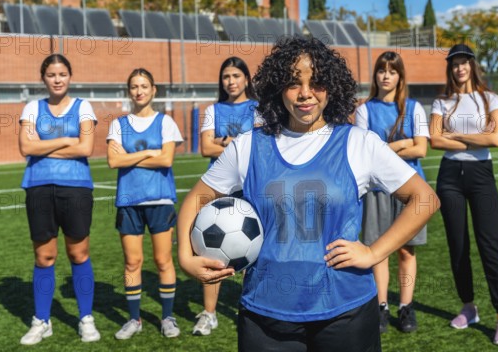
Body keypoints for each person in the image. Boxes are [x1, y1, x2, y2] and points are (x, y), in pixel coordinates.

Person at [177, 36, 439, 352]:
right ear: (277, 88)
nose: (305, 93)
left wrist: (374, 252)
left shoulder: (359, 142)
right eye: (293, 82)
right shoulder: (249, 145)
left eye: (316, 82)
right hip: (266, 314)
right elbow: (195, 200)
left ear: (332, 86)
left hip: (346, 310)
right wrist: (184, 257)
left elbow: (424, 199)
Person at [429, 44, 498, 346]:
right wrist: (472, 141)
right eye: (455, 63)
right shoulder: (442, 101)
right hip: (449, 177)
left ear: (472, 66)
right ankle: (469, 306)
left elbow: (497, 138)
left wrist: (458, 136)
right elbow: (435, 141)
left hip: (481, 177)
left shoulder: (490, 98)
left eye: (464, 62)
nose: (459, 68)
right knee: (458, 244)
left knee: (489, 244)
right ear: (450, 68)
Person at [18, 54, 100, 345]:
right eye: (51, 75)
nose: (57, 79)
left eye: (62, 74)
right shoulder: (32, 107)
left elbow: (86, 148)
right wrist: (67, 140)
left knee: (79, 254)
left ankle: (85, 317)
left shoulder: (83, 106)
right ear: (43, 78)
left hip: (76, 189)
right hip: (38, 188)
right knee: (44, 256)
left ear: (70, 76)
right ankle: (42, 320)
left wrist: (43, 148)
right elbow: (25, 146)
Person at [355, 51, 429, 334]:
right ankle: (381, 306)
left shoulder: (413, 107)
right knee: (379, 251)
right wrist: (401, 145)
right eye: (381, 70)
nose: (386, 76)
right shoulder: (365, 110)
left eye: (392, 71)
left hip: (410, 190)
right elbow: (366, 153)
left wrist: (385, 147)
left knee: (407, 252)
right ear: (375, 75)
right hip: (376, 190)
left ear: (400, 76)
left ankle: (406, 307)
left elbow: (421, 149)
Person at [107, 68, 183, 339]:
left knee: (163, 261)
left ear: (154, 90)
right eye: (134, 87)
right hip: (129, 202)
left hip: (160, 200)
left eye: (144, 86)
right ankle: (133, 319)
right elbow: (113, 161)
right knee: (132, 262)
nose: (139, 91)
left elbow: (166, 160)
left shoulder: (166, 123)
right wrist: (150, 151)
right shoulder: (118, 124)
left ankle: (167, 317)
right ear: (129, 91)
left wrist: (132, 155)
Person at [194, 56, 258, 336]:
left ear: (246, 79)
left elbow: (258, 145)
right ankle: (209, 314)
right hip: (218, 187)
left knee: (252, 248)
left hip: (251, 185)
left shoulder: (258, 108)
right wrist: (238, 143)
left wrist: (224, 141)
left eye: (236, 76)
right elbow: (205, 149)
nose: (231, 82)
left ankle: (252, 309)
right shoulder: (213, 110)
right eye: (226, 77)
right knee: (213, 250)